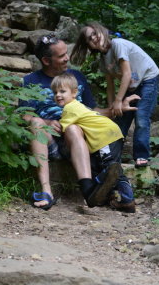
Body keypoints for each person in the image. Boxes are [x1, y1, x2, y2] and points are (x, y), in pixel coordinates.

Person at [19, 33, 139, 210]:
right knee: (36, 123)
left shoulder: (76, 77)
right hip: (48, 139)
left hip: (77, 139)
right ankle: (46, 190)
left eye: (66, 53)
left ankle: (88, 188)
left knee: (74, 128)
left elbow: (91, 111)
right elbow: (23, 115)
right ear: (46, 60)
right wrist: (45, 121)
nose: (67, 57)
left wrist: (117, 107)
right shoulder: (30, 81)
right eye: (61, 56)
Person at [71, 22, 159, 168]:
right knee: (120, 120)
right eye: (89, 38)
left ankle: (141, 155)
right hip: (133, 85)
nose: (93, 38)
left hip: (148, 79)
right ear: (89, 46)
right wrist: (112, 107)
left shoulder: (118, 44)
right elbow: (110, 86)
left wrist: (119, 100)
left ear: (102, 31)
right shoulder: (103, 60)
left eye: (94, 33)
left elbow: (127, 74)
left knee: (141, 117)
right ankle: (113, 158)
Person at [51, 72, 135, 213]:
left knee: (111, 168)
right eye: (55, 92)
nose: (58, 95)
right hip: (111, 134)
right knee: (112, 168)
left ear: (74, 92)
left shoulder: (70, 108)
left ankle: (103, 185)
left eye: (62, 91)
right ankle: (126, 200)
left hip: (105, 137)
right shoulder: (79, 106)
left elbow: (62, 129)